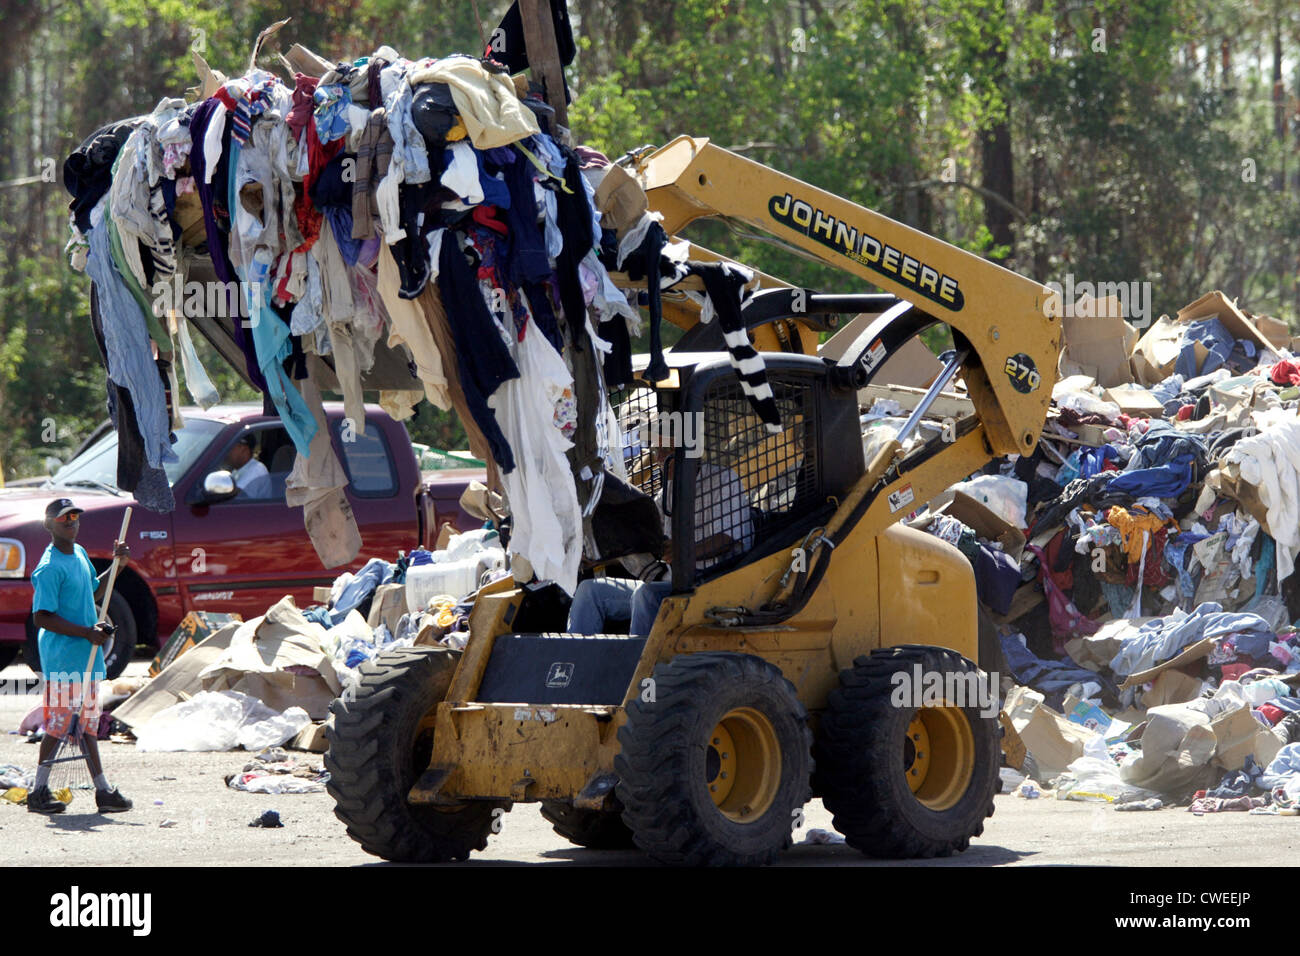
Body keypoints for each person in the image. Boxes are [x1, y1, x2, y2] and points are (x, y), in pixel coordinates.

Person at [568, 447, 754, 637]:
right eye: (656, 451)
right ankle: (572, 661)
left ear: (690, 449)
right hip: (670, 582)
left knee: (646, 594)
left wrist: (683, 551)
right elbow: (642, 538)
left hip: (709, 584)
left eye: (665, 451)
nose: (658, 459)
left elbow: (728, 538)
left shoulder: (722, 480)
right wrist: (600, 556)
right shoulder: (667, 493)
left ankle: (638, 664)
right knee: (589, 591)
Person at [28, 499, 132, 815]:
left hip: (87, 656)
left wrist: (117, 566)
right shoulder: (49, 568)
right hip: (63, 660)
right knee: (59, 724)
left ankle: (103, 791)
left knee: (87, 724)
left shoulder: (81, 554)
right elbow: (42, 617)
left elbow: (93, 592)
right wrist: (87, 632)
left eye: (75, 516)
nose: (71, 522)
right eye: (64, 518)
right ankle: (38, 791)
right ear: (49, 524)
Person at [225, 432, 271, 498]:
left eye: (231, 446)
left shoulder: (257, 469)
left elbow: (237, 498)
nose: (227, 451)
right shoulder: (237, 469)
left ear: (244, 449)